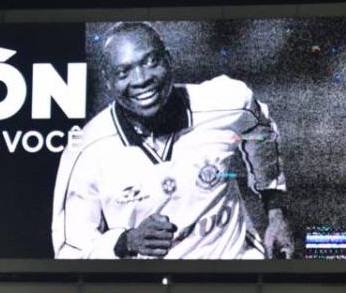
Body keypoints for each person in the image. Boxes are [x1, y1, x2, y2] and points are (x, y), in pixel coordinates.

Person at [52, 21, 292, 260]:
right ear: (108, 80)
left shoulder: (226, 101)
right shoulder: (86, 150)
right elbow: (69, 249)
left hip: (233, 272)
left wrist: (275, 211)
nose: (141, 79)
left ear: (169, 59)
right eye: (123, 72)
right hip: (152, 291)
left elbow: (261, 132)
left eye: (150, 62)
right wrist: (126, 241)